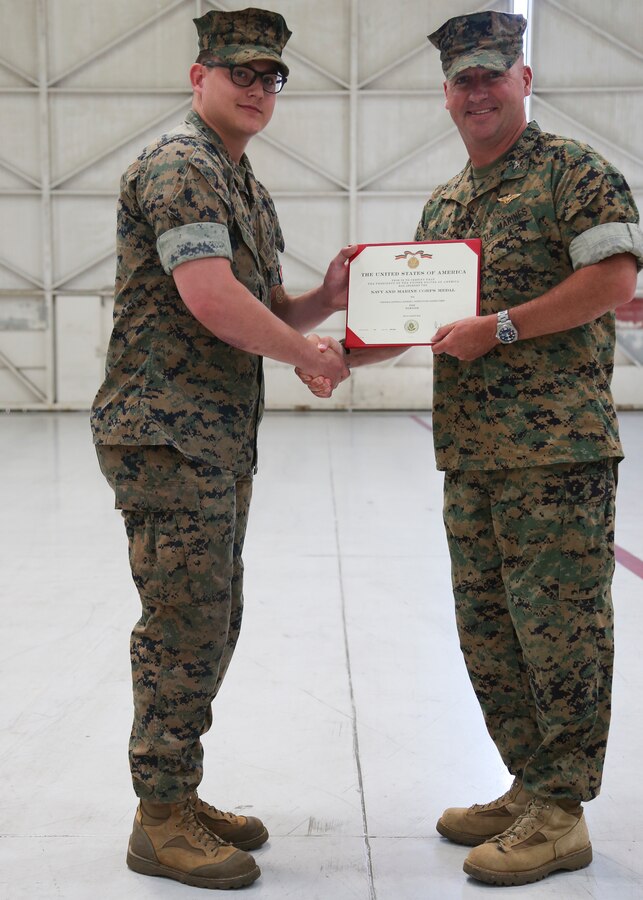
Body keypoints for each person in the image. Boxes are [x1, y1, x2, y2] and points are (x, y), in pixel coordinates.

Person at [299, 9, 643, 888]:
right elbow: (411, 323)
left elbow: (611, 279)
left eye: (492, 73)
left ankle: (561, 812)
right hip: (473, 455)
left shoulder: (574, 172)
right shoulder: (448, 203)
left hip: (555, 454)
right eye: (463, 79)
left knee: (559, 632)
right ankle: (529, 784)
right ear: (445, 93)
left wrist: (502, 327)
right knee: (488, 632)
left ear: (522, 80)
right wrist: (337, 349)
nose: (477, 90)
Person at [90, 6, 350, 891]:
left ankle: (177, 791)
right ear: (197, 76)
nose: (255, 88)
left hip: (211, 436)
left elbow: (268, 309)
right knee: (184, 622)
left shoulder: (245, 185)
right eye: (239, 70)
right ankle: (158, 818)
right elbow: (208, 298)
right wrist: (308, 355)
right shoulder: (181, 167)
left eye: (269, 76)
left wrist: (326, 299)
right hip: (164, 432)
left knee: (211, 617)